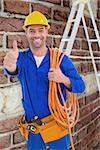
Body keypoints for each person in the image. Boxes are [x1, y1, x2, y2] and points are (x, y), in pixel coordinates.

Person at [3, 11, 85, 150]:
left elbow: (81, 85)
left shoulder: (60, 59)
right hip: (33, 127)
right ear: (26, 33)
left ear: (46, 31)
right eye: (32, 31)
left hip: (57, 125)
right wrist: (10, 67)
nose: (36, 35)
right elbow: (13, 69)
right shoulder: (22, 59)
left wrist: (63, 79)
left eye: (41, 30)